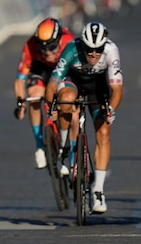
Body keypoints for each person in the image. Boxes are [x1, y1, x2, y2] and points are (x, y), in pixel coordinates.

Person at [45, 21, 123, 214]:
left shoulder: (111, 51)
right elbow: (52, 85)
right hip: (73, 82)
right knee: (65, 101)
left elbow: (116, 89)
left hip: (98, 88)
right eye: (89, 50)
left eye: (98, 50)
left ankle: (98, 190)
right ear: (82, 45)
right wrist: (51, 106)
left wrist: (111, 110)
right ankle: (63, 147)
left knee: (103, 132)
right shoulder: (71, 49)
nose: (94, 54)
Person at [14, 17, 75, 168]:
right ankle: (40, 146)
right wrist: (21, 104)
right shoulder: (30, 46)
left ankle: (73, 149)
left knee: (70, 104)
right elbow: (20, 79)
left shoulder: (69, 42)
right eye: (43, 47)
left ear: (59, 40)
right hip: (41, 70)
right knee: (34, 96)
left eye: (52, 47)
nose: (47, 52)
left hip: (63, 69)